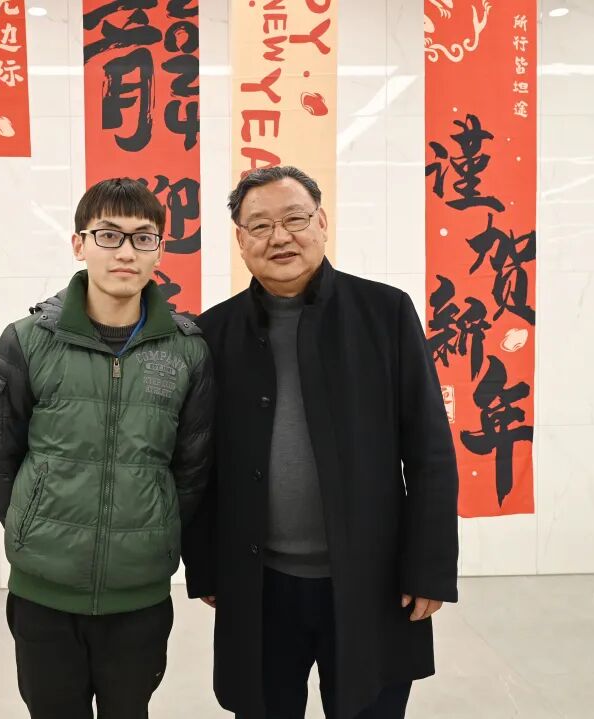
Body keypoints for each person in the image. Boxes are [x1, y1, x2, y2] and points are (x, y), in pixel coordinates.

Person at [183, 166, 459, 719]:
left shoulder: (384, 313)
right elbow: (197, 464)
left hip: (371, 578)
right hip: (259, 584)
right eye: (260, 225)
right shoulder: (213, 332)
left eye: (295, 219)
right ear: (240, 239)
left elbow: (429, 450)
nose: (279, 237)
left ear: (322, 222)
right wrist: (207, 568)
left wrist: (429, 567)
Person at [0, 177, 215, 719]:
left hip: (139, 592)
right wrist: (31, 526)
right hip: (43, 591)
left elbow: (192, 468)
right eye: (108, 235)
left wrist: (154, 533)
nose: (126, 252)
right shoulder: (29, 340)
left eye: (143, 237)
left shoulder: (186, 351)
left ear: (160, 250)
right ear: (79, 244)